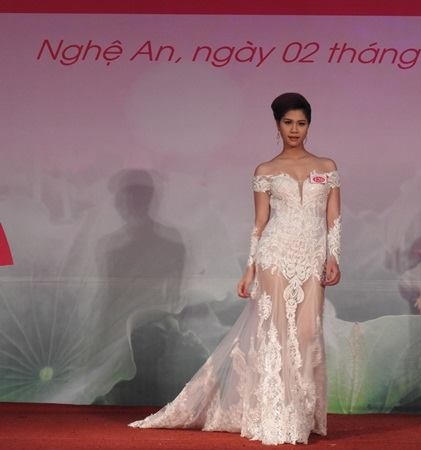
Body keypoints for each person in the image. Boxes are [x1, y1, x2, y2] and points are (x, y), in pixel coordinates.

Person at [128, 92, 342, 445]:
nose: (294, 130)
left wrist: (334, 257)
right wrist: (249, 268)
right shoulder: (266, 171)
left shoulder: (327, 167)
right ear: (277, 125)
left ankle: (300, 412)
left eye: (301, 123)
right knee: (276, 336)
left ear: (309, 125)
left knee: (306, 334)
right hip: (274, 256)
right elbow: (260, 223)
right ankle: (278, 417)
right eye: (288, 122)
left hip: (312, 258)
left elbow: (333, 218)